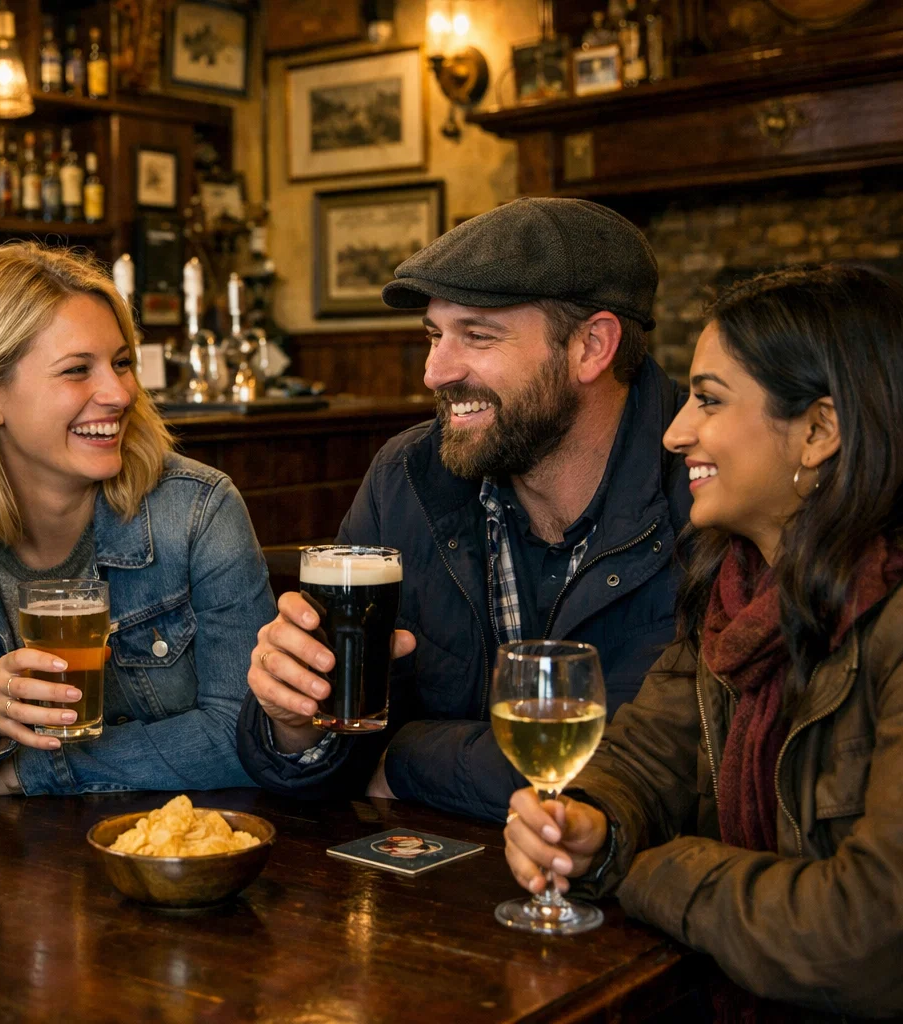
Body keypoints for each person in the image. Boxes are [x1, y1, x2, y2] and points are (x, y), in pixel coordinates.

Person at [503, 265, 903, 1020]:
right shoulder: (741, 590)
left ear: (820, 430)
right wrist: (588, 827)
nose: (675, 432)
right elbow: (643, 762)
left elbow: (880, 937)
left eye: (708, 400)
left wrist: (644, 872)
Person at [238, 198, 691, 821]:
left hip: (629, 898)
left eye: (477, 335)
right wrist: (295, 726)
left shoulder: (705, 488)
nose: (434, 372)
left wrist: (401, 759)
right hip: (434, 898)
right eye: (433, 335)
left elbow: (642, 768)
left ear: (592, 346)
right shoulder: (407, 478)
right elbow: (326, 752)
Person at [0, 242, 272, 795]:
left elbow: (249, 735)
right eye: (76, 370)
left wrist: (29, 773)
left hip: (162, 852)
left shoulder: (197, 511)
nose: (119, 393)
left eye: (121, 363)